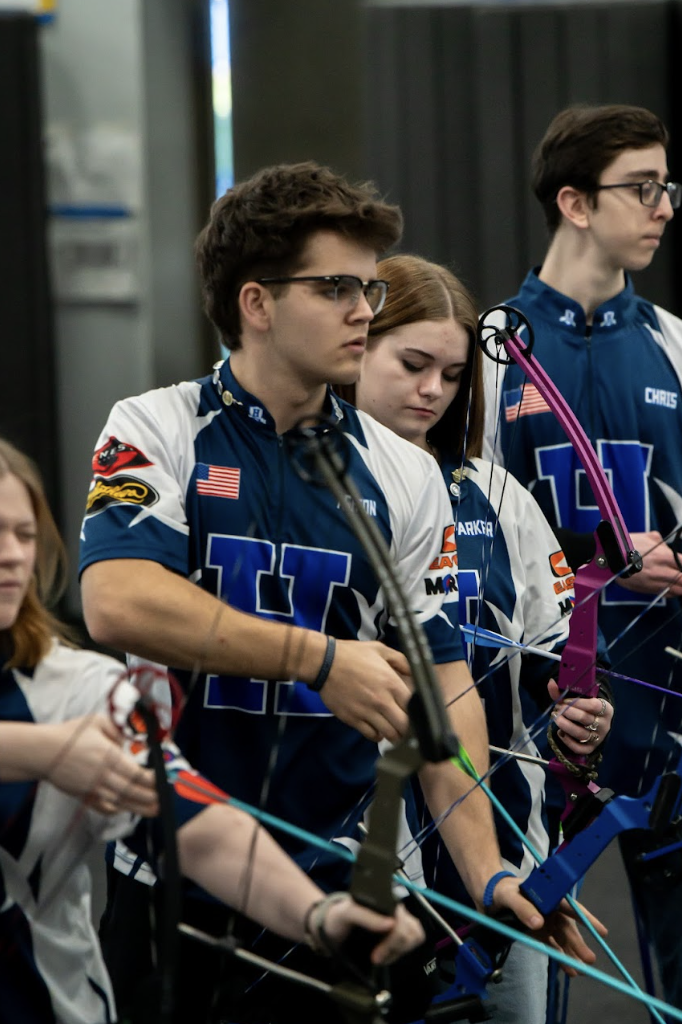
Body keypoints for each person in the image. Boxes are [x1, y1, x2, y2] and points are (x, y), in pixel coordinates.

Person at [77, 161, 599, 1024]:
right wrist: (319, 659)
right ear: (257, 303)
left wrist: (487, 871)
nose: (364, 306)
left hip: (348, 893)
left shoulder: (400, 471)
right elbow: (118, 601)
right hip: (176, 883)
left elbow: (446, 689)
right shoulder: (155, 426)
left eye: (367, 286)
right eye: (337, 287)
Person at [0, 437, 425, 1024]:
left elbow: (201, 829)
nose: (12, 556)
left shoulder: (81, 691)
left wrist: (319, 915)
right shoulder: (60, 728)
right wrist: (40, 751)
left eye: (24, 535)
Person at [337, 252, 612, 1024]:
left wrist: (581, 716)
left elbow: (564, 657)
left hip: (500, 858)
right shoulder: (310, 484)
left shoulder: (495, 495)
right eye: (413, 363)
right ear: (357, 350)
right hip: (362, 859)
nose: (432, 390)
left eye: (454, 375)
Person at [482, 103, 682, 1008]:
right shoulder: (490, 348)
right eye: (642, 187)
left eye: (665, 185)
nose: (664, 205)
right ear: (573, 202)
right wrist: (597, 561)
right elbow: (467, 527)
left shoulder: (675, 342)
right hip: (539, 716)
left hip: (669, 711)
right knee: (533, 974)